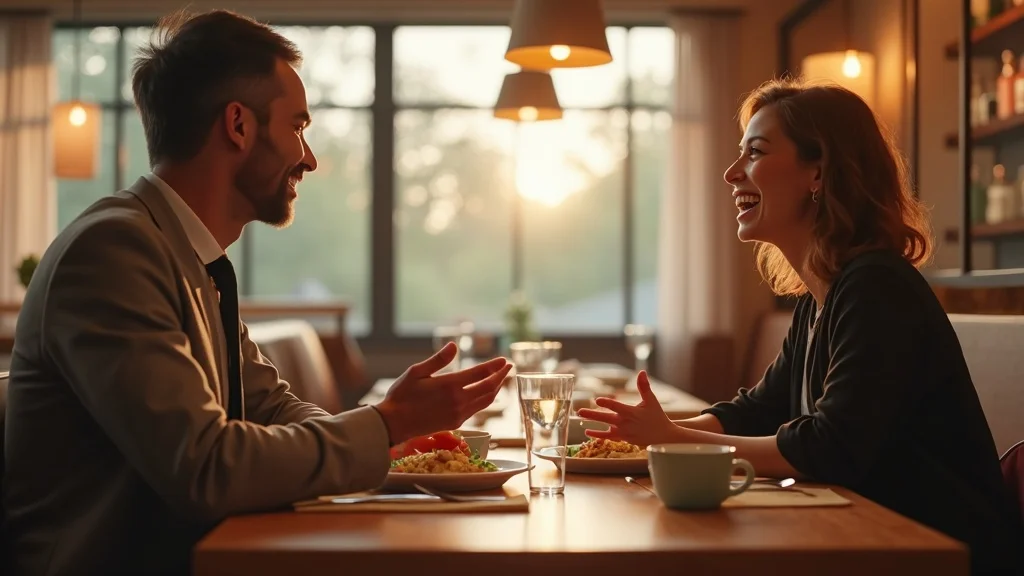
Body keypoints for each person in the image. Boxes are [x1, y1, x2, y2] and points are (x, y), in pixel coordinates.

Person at [2, 10, 511, 576]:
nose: (309, 158)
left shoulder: (190, 256)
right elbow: (206, 468)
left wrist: (386, 446)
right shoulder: (112, 252)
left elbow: (269, 406)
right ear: (239, 126)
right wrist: (384, 425)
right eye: (298, 127)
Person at [579, 78, 1022, 575]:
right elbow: (758, 411)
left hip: (941, 553)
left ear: (819, 171)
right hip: (866, 540)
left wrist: (673, 439)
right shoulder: (823, 296)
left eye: (755, 153)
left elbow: (829, 447)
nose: (731, 173)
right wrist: (651, 433)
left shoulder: (877, 287)